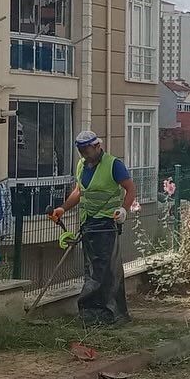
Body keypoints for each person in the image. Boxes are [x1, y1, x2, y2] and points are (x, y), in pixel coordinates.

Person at [49, 131, 137, 325]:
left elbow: (131, 189)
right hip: (88, 222)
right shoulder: (82, 165)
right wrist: (62, 208)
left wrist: (123, 210)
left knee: (103, 269)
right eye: (81, 151)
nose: (84, 155)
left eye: (87, 151)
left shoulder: (114, 165)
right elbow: (79, 191)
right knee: (92, 267)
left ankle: (106, 312)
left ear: (97, 146)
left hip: (106, 223)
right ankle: (96, 312)